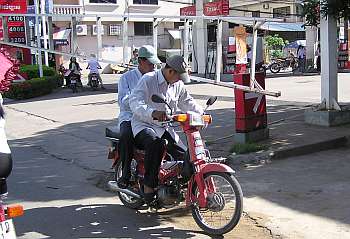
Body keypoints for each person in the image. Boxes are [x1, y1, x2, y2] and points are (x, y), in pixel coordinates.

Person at [129, 55, 203, 204]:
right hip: (144, 125)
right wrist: (152, 112)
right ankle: (149, 186)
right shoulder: (148, 80)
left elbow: (188, 102)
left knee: (186, 157)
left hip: (164, 127)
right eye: (178, 76)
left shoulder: (178, 85)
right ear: (170, 71)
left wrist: (202, 113)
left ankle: (174, 186)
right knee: (156, 144)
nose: (180, 80)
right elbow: (135, 102)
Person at [117, 45, 161, 189]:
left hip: (151, 118)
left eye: (154, 64)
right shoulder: (126, 78)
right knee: (126, 136)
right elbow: (123, 102)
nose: (153, 67)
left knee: (164, 141)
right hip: (130, 117)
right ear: (140, 61)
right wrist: (137, 98)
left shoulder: (156, 77)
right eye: (150, 64)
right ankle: (126, 172)